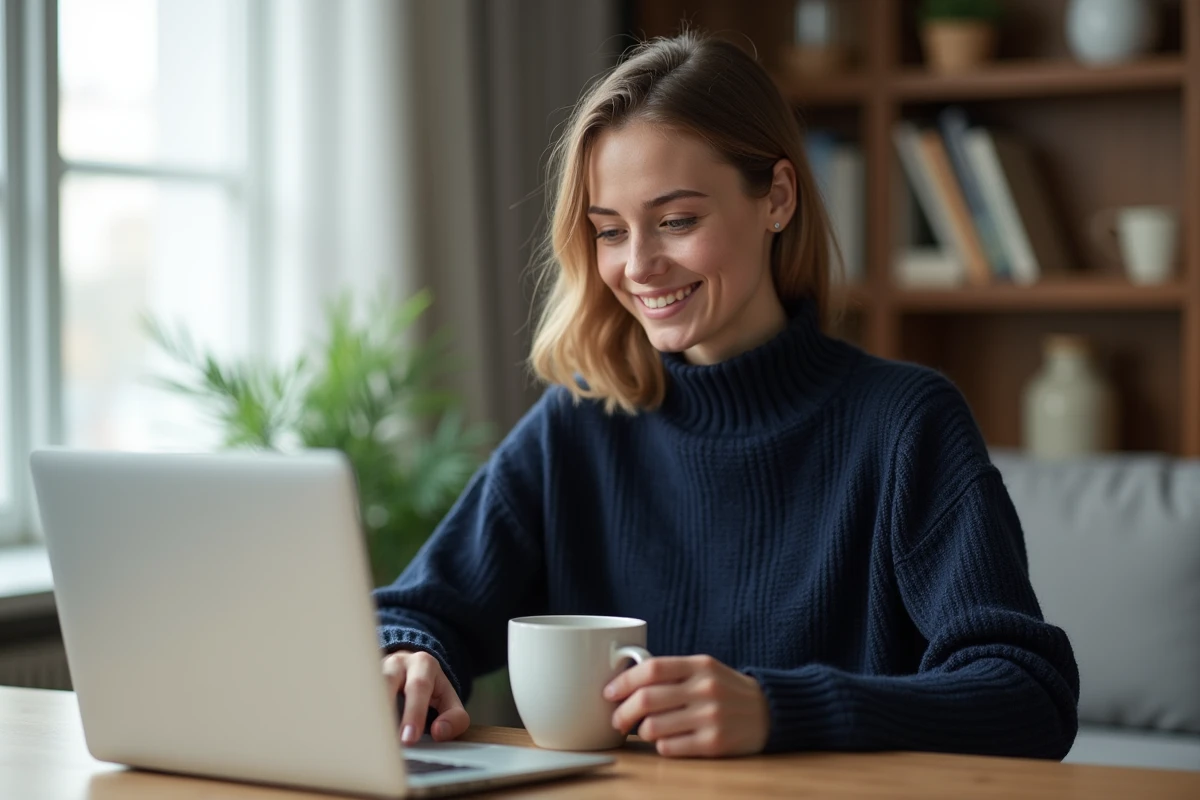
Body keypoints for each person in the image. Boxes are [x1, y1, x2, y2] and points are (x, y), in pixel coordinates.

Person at [373, 31, 1079, 760]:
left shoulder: (904, 425)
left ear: (776, 198)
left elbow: (1027, 693)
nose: (639, 266)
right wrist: (407, 658)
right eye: (610, 231)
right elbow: (408, 614)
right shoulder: (580, 423)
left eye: (676, 221)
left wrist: (782, 709)